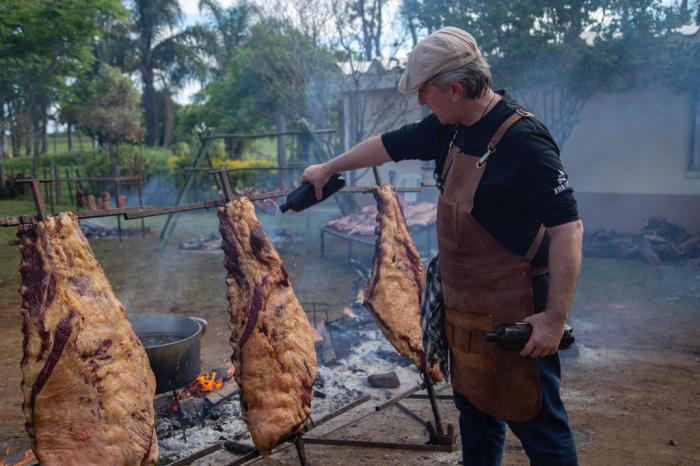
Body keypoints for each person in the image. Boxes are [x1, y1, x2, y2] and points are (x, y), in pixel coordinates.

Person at [302, 26, 583, 466]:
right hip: (464, 306)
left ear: (455, 89)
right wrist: (328, 167)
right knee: (476, 414)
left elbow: (568, 229)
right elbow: (388, 145)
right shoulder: (449, 129)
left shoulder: (524, 142)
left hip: (517, 307)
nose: (420, 102)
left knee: (537, 422)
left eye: (424, 92)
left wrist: (553, 319)